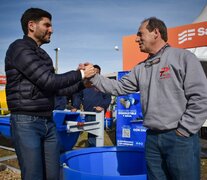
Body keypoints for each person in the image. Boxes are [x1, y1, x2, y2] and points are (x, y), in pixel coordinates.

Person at [89, 17, 207, 180]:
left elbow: (201, 97)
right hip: (152, 138)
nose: (136, 39)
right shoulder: (140, 68)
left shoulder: (183, 57)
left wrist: (184, 129)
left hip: (180, 138)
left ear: (156, 33)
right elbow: (119, 87)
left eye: (140, 34)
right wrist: (94, 77)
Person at [4, 8, 95, 180]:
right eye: (47, 25)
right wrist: (80, 74)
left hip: (48, 121)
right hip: (26, 122)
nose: (51, 29)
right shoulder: (19, 48)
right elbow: (49, 81)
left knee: (53, 174)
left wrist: (82, 84)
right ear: (31, 26)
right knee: (33, 175)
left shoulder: (44, 55)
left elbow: (57, 90)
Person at [71, 65, 111, 147]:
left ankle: (95, 151)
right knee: (90, 132)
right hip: (88, 113)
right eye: (93, 71)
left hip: (98, 113)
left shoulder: (103, 84)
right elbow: (78, 96)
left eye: (97, 72)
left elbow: (107, 98)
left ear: (99, 73)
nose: (95, 73)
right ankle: (92, 150)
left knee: (97, 134)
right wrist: (75, 106)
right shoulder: (85, 84)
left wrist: (102, 106)